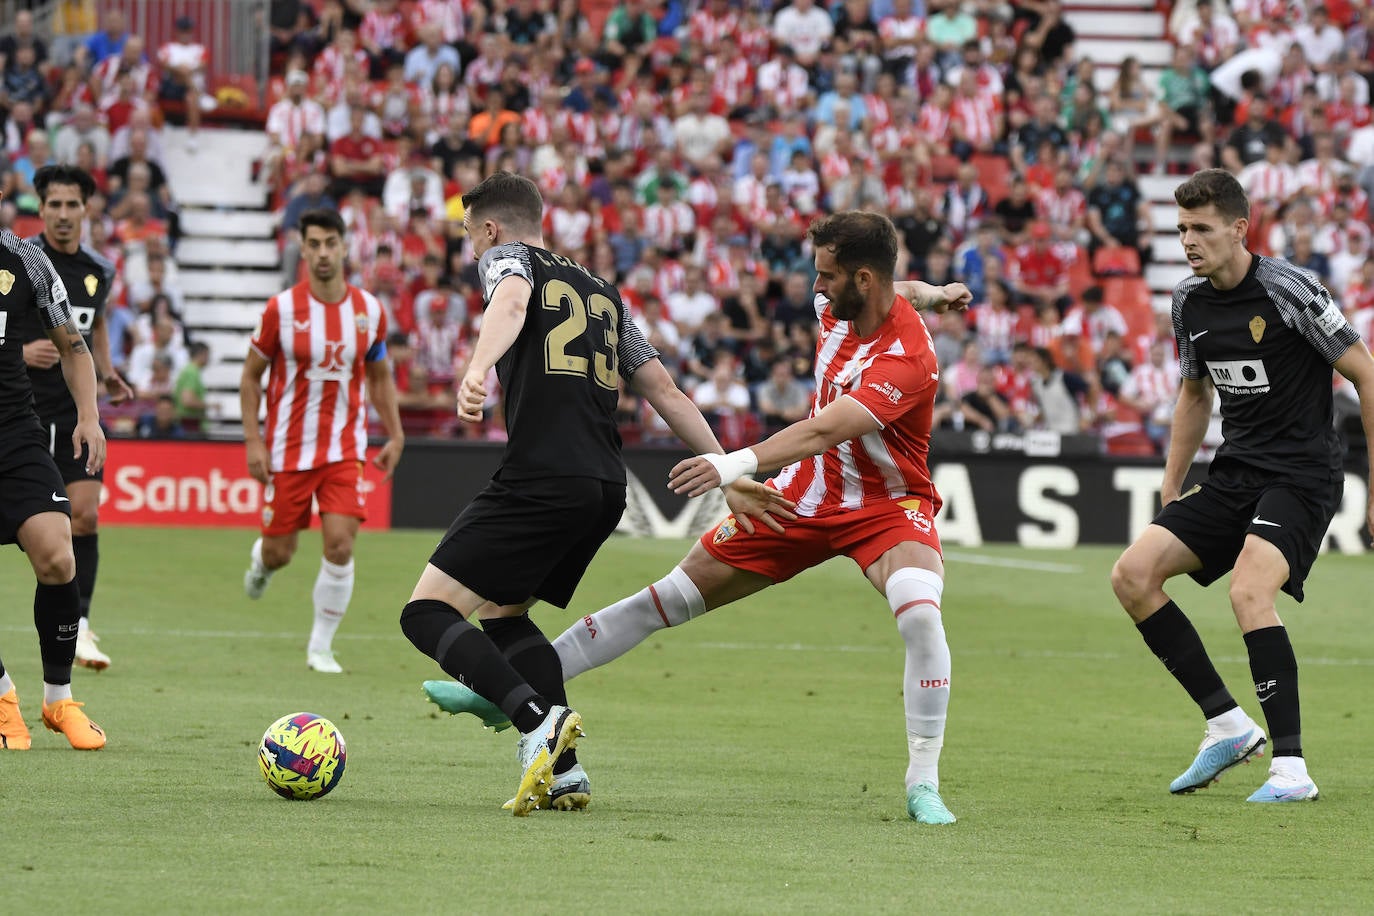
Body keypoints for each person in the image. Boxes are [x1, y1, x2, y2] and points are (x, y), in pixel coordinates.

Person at [425, 211, 975, 825]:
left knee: (921, 617)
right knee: (659, 602)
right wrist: (935, 291)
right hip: (797, 500)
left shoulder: (911, 359)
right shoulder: (845, 305)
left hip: (886, 508)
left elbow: (825, 429)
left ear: (863, 279)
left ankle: (922, 784)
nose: (815, 289)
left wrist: (727, 465)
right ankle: (505, 697)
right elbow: (902, 291)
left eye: (826, 276)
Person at [395, 171, 790, 816]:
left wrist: (474, 370)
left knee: (425, 613)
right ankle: (567, 771)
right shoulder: (602, 292)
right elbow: (664, 391)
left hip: (541, 477)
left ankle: (535, 724)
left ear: (491, 228)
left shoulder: (510, 262)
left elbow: (513, 304)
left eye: (470, 233)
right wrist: (725, 467)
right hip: (605, 487)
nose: (470, 247)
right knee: (504, 616)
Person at [1110, 169, 1374, 804]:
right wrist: (1172, 483)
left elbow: (1367, 374)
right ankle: (1227, 725)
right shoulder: (1186, 302)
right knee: (1132, 575)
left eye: (1201, 229)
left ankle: (1292, 770)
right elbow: (1194, 393)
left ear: (1238, 228)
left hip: (1302, 475)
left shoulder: (1290, 291)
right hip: (1235, 474)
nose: (1188, 241)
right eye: (1180, 230)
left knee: (1250, 590)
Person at [239, 208, 405, 674]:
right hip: (288, 450)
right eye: (314, 244)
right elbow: (250, 379)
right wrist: (254, 441)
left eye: (332, 242)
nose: (324, 252)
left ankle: (320, 647)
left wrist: (395, 433)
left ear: (345, 245)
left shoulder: (369, 311)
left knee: (340, 545)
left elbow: (379, 376)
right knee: (279, 553)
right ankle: (261, 563)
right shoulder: (281, 310)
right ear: (303, 247)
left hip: (344, 450)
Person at [0, 216, 109, 751]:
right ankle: (1, 698)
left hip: (16, 436)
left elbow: (73, 346)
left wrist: (88, 416)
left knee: (58, 557)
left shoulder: (28, 262)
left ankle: (58, 698)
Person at [18, 165, 132, 671]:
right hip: (18, 412)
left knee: (85, 517)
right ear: (40, 209)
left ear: (87, 209)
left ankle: (80, 626)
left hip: (73, 414)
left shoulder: (99, 270)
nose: (63, 215)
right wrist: (23, 352)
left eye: (72, 205)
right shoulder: (20, 261)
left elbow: (95, 324)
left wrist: (106, 374)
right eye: (54, 205)